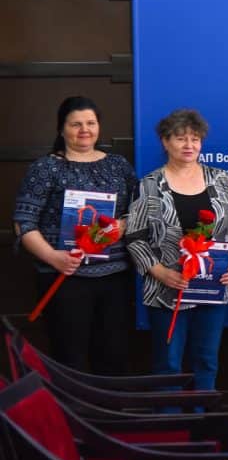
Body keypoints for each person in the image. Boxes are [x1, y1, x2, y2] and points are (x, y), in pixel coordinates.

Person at [13, 96, 138, 374]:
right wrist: (52, 257)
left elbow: (140, 210)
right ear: (61, 129)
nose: (85, 130)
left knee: (114, 357)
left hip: (114, 278)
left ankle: (111, 405)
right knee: (70, 358)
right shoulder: (46, 168)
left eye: (91, 123)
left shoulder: (118, 165)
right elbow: (23, 223)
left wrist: (123, 225)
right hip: (63, 277)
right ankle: (73, 406)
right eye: (76, 124)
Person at [125, 109, 228, 391]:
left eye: (195, 139)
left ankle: (204, 417)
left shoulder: (221, 180)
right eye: (180, 138)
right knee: (168, 364)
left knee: (207, 361)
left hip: (213, 288)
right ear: (165, 142)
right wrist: (160, 272)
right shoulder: (149, 185)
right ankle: (169, 418)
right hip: (166, 291)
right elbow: (135, 237)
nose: (189, 145)